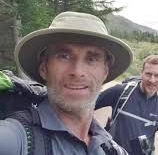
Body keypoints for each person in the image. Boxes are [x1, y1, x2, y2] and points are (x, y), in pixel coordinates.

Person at [0, 11, 132, 154]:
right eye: (64, 56)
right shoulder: (13, 140)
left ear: (105, 71)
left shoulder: (113, 150)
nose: (77, 71)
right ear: (44, 68)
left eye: (92, 58)